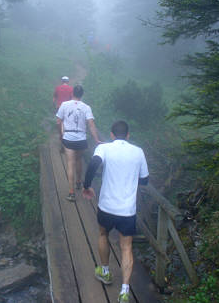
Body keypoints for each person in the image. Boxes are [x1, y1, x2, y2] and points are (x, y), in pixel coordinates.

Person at [82, 120, 149, 303]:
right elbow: (144, 181)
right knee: (126, 247)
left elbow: (93, 165)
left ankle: (104, 272)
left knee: (103, 234)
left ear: (111, 135)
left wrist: (86, 186)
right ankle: (125, 291)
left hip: (107, 206)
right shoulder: (138, 152)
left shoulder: (104, 148)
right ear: (128, 135)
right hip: (127, 210)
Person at [56, 85, 101, 202]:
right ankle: (78, 182)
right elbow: (91, 124)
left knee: (70, 163)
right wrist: (96, 139)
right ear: (82, 95)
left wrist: (61, 135)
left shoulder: (64, 105)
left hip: (68, 138)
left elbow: (58, 121)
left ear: (72, 93)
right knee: (78, 160)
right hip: (81, 139)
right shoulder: (86, 107)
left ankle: (71, 193)